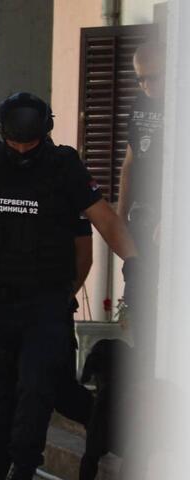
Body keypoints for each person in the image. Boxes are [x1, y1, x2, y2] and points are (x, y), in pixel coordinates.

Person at [0, 92, 137, 480]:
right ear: (3, 132)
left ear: (45, 131)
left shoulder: (65, 168)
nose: (21, 151)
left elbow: (105, 220)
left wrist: (136, 261)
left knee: (35, 398)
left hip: (44, 307)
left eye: (29, 143)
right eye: (15, 143)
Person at [0, 217, 95, 480]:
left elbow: (84, 254)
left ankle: (109, 423)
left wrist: (59, 300)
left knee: (54, 392)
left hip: (45, 316)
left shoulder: (65, 192)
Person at [117, 42, 164, 373]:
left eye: (153, 77)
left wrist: (171, 216)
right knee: (136, 296)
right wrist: (119, 218)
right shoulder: (140, 105)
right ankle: (144, 372)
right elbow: (129, 164)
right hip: (141, 221)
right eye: (140, 79)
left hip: (170, 222)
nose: (146, 85)